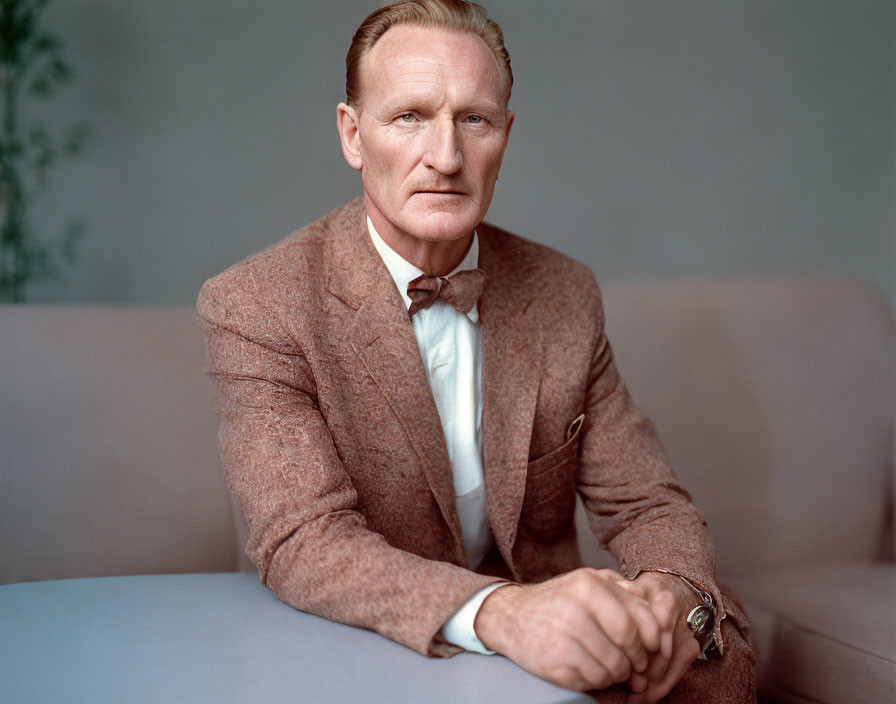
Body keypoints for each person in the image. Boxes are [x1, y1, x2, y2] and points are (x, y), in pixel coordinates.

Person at [197, 1, 755, 701]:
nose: (447, 156)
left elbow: (648, 504)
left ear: (506, 135)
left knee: (715, 656)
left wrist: (671, 601)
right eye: (409, 117)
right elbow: (305, 541)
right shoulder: (255, 303)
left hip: (553, 649)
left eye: (474, 119)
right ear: (352, 134)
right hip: (365, 636)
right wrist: (503, 614)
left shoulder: (564, 292)